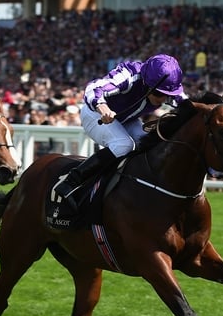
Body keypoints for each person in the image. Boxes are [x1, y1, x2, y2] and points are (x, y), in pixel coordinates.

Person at [52, 53, 188, 210]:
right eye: (159, 94)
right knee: (124, 145)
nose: (163, 99)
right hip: (95, 115)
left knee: (152, 144)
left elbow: (190, 107)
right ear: (146, 83)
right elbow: (93, 88)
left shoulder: (165, 86)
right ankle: (70, 182)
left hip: (126, 120)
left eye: (168, 95)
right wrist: (102, 106)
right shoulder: (129, 75)